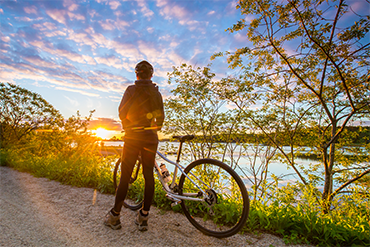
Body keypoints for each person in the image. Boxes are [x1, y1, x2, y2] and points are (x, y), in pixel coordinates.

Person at [104, 60, 165, 231]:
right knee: (148, 176)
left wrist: (130, 127)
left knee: (125, 176)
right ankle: (143, 217)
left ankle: (115, 216)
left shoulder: (131, 90)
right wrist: (151, 129)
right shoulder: (156, 93)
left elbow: (122, 112)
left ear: (136, 74)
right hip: (150, 139)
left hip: (132, 138)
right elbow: (160, 121)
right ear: (151, 75)